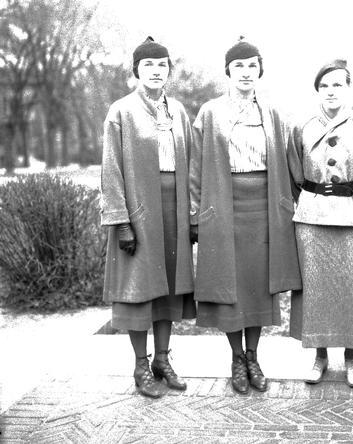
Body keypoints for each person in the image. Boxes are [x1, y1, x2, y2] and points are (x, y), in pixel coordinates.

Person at [189, 37, 301, 395]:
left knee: (257, 288)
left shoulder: (273, 113)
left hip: (265, 208)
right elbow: (195, 167)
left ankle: (254, 356)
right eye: (239, 66)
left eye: (252, 65)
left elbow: (291, 163)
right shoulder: (210, 112)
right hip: (223, 207)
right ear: (227, 71)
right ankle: (236, 357)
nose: (246, 72)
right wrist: (195, 213)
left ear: (260, 71)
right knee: (230, 287)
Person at [101, 37, 196, 398]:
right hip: (139, 210)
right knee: (140, 288)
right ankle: (141, 365)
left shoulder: (180, 112)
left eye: (162, 66)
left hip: (174, 209)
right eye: (148, 66)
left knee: (168, 285)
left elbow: (193, 166)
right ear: (136, 71)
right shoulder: (120, 111)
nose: (156, 72)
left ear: (169, 71)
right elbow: (110, 170)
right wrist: (122, 221)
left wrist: (191, 213)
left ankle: (162, 359)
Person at [287, 60, 353, 387]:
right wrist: (312, 200)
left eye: (337, 85)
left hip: (351, 214)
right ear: (317, 90)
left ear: (348, 88)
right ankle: (320, 355)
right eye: (325, 85)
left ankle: (352, 357)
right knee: (317, 288)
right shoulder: (301, 125)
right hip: (312, 215)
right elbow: (294, 174)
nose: (331, 91)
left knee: (352, 286)